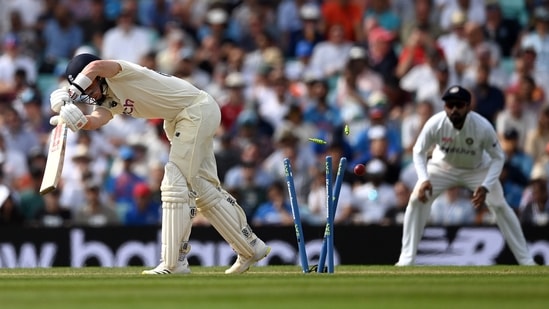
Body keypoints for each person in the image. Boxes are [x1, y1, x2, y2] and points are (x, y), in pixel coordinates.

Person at [48, 53, 270, 274]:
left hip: (195, 111)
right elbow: (97, 119)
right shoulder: (107, 99)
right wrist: (78, 121)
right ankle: (250, 247)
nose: (87, 94)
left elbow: (95, 65)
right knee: (203, 189)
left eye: (88, 87)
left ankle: (174, 263)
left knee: (174, 184)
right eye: (83, 92)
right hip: (181, 119)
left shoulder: (120, 72)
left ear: (97, 78)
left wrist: (71, 93)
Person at [395, 85, 536, 266]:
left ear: (468, 107)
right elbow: (418, 151)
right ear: (444, 106)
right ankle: (406, 259)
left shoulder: (482, 126)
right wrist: (424, 179)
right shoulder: (435, 123)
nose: (454, 109)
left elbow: (498, 158)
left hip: (477, 169)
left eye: (459, 105)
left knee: (500, 205)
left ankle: (526, 261)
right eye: (449, 105)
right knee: (416, 200)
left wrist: (485, 186)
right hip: (442, 167)